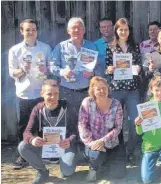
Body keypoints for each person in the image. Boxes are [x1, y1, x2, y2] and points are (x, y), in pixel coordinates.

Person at [8, 19, 52, 169]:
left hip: (42, 93)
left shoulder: (45, 48)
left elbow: (51, 67)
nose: (31, 32)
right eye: (27, 30)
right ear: (21, 31)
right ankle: (24, 154)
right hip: (24, 94)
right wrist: (23, 69)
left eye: (33, 29)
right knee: (24, 126)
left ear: (37, 31)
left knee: (43, 124)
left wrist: (44, 70)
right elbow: (12, 72)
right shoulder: (15, 50)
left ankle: (43, 153)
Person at [18, 79, 78, 184]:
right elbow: (27, 132)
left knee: (68, 172)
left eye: (56, 94)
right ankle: (42, 171)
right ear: (42, 94)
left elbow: (76, 131)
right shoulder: (38, 109)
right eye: (49, 94)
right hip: (45, 146)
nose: (53, 97)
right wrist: (32, 140)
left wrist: (69, 140)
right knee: (22, 146)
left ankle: (64, 164)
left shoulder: (67, 107)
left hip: (64, 146)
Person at [105, 18, 142, 165]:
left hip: (132, 89)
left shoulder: (134, 46)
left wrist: (138, 69)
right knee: (115, 122)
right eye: (121, 29)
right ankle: (118, 152)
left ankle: (131, 151)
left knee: (135, 122)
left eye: (126, 29)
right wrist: (109, 69)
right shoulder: (110, 47)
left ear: (129, 31)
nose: (123, 32)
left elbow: (139, 63)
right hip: (116, 90)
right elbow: (107, 68)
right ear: (116, 31)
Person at [78, 76, 126, 182]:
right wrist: (92, 144)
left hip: (111, 143)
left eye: (104, 88)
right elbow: (82, 126)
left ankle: (105, 163)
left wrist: (102, 141)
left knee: (118, 174)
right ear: (92, 90)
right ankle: (94, 167)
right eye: (98, 88)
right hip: (93, 143)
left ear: (108, 89)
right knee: (96, 156)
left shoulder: (116, 104)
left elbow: (118, 128)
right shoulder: (87, 103)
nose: (102, 91)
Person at [51, 17, 100, 113]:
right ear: (68, 31)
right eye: (73, 28)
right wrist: (62, 71)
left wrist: (93, 73)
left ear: (84, 30)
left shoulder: (92, 46)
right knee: (69, 122)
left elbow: (100, 67)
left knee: (87, 122)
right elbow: (52, 66)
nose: (77, 30)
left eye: (80, 27)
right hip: (67, 92)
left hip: (87, 91)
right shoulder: (61, 46)